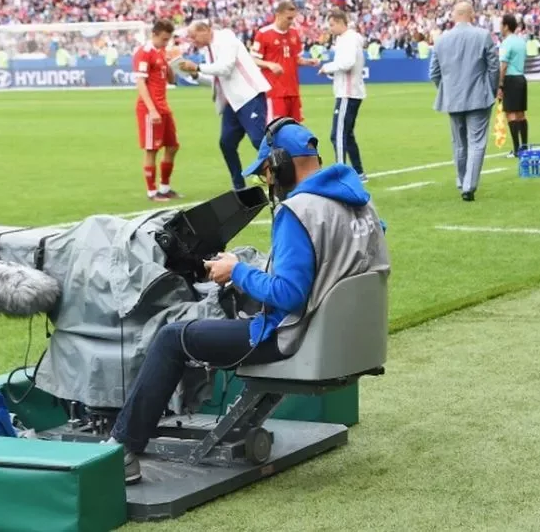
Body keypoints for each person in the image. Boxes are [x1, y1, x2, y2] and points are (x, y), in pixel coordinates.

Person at [107, 119, 390, 484]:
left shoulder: (298, 211)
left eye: (266, 173)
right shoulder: (362, 204)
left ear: (280, 164)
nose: (267, 182)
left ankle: (121, 450)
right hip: (344, 338)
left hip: (288, 336)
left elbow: (289, 294)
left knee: (170, 338)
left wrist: (237, 272)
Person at [177, 21, 272, 191]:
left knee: (259, 140)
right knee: (226, 143)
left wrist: (198, 67)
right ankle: (238, 185)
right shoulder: (209, 49)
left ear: (205, 30)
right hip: (233, 102)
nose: (193, 41)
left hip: (249, 95)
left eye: (194, 36)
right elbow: (216, 78)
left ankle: (284, 175)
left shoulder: (227, 39)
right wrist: (195, 74)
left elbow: (225, 68)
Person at [429, 2, 500, 202]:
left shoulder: (441, 40)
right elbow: (493, 67)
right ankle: (469, 186)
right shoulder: (482, 35)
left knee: (459, 143)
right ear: (471, 14)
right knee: (477, 143)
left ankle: (462, 181)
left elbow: (433, 73)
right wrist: (491, 90)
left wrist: (447, 90)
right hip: (479, 96)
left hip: (453, 98)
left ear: (454, 16)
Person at [132, 19, 182, 202]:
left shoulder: (160, 52)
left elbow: (171, 80)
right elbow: (140, 83)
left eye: (168, 39)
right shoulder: (144, 53)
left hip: (163, 107)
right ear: (154, 34)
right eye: (163, 39)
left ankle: (165, 187)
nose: (166, 42)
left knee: (172, 146)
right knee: (151, 150)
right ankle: (152, 192)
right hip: (149, 109)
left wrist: (169, 61)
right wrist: (152, 110)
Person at [318, 9, 368, 181]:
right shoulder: (347, 39)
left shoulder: (349, 39)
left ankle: (341, 173)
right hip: (352, 91)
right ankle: (359, 172)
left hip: (347, 92)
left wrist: (327, 67)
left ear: (340, 22)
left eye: (332, 24)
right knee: (347, 134)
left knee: (337, 134)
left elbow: (347, 63)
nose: (330, 28)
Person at [251, 1, 320, 124]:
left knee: (295, 129)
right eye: (288, 18)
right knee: (277, 129)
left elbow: (296, 59)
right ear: (278, 15)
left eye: (293, 18)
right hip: (275, 92)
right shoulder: (263, 33)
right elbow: (253, 59)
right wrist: (269, 64)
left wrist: (308, 62)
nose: (291, 21)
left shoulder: (294, 33)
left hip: (293, 90)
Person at [498, 14, 529, 156]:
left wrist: (500, 85)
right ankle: (524, 146)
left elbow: (503, 66)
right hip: (521, 78)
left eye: (501, 25)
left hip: (510, 78)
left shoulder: (507, 43)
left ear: (505, 26)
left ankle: (517, 149)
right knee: (521, 114)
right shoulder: (521, 42)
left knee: (511, 113)